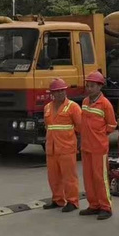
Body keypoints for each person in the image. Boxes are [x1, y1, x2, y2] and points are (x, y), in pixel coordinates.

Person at [79, 70, 118, 220]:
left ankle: (105, 207)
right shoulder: (85, 102)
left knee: (100, 177)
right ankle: (93, 204)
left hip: (99, 148)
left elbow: (112, 125)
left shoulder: (105, 104)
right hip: (86, 147)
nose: (89, 88)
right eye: (88, 85)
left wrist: (99, 135)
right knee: (88, 177)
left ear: (100, 87)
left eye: (92, 86)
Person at [43, 78, 82, 212]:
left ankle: (72, 201)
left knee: (69, 177)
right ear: (52, 93)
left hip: (67, 148)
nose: (60, 93)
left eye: (62, 91)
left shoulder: (73, 107)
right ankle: (57, 199)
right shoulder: (47, 107)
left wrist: (77, 144)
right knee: (53, 177)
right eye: (57, 91)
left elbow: (80, 127)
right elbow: (48, 127)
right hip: (51, 148)